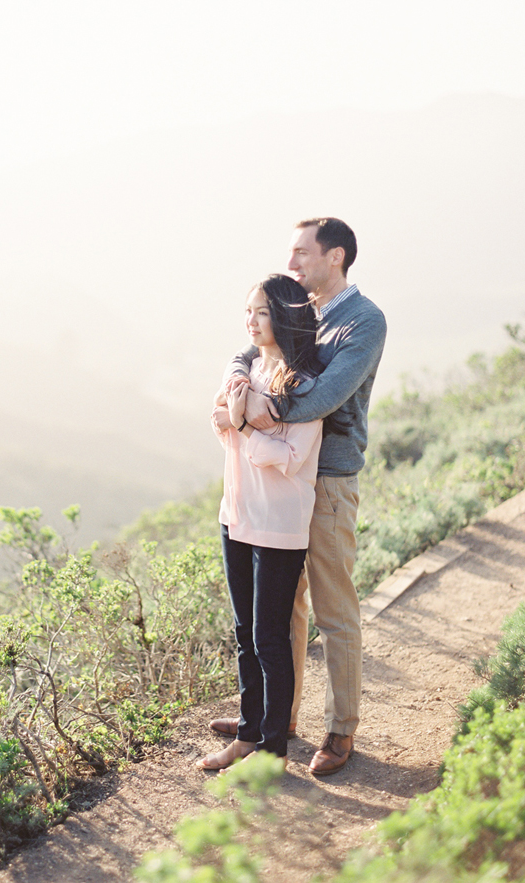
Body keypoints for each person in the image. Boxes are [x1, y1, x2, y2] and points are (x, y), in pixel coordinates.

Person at [211, 217, 386, 776]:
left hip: (328, 477)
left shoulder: (363, 321)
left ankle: (340, 729)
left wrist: (257, 413)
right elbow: (249, 351)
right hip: (283, 482)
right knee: (282, 607)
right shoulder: (301, 311)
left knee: (334, 608)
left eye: (301, 254)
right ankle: (274, 719)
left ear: (334, 256)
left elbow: (326, 396)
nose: (292, 265)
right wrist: (240, 381)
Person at [198, 274, 325, 771]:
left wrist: (245, 424)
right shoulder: (247, 370)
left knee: (271, 638)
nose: (251, 321)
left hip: (278, 523)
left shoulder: (304, 386)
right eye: (248, 311)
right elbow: (217, 418)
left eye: (263, 312)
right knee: (244, 633)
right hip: (236, 516)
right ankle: (248, 735)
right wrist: (236, 419)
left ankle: (273, 749)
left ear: (286, 317)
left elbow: (294, 456)